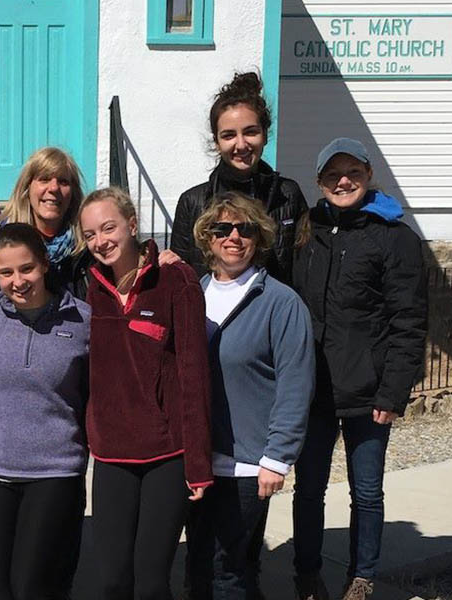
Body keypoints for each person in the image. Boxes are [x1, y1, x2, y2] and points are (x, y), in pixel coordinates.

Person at [291, 138, 427, 600]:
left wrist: (393, 393)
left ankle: (362, 575)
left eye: (352, 172)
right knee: (308, 490)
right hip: (313, 391)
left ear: (368, 175)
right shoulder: (306, 231)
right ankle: (307, 573)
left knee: (366, 492)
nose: (342, 181)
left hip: (368, 393)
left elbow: (408, 322)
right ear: (319, 182)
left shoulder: (394, 237)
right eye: (332, 175)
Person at [79, 187, 213, 600]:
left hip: (165, 454)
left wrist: (198, 462)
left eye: (108, 228)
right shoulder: (86, 285)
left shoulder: (176, 279)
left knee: (152, 582)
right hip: (112, 453)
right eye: (89, 234)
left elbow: (194, 373)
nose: (100, 241)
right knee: (112, 580)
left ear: (133, 225)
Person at [184, 192, 315, 600]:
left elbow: (296, 384)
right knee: (196, 564)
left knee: (230, 569)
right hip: (199, 462)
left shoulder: (280, 302)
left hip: (247, 465)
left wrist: (277, 458)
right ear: (207, 238)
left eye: (246, 229)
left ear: (260, 237)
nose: (234, 237)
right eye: (223, 228)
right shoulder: (191, 294)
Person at [0, 223, 90, 600]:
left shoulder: (83, 321)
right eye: (6, 272)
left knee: (30, 589)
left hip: (55, 471)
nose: (17, 280)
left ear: (45, 265)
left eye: (26, 268)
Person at [170, 72, 307, 284]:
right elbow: (179, 279)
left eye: (250, 132)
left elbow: (305, 270)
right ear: (216, 141)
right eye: (229, 135)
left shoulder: (288, 195)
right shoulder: (193, 202)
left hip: (275, 314)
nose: (241, 144)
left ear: (265, 133)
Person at [0, 147, 92, 300]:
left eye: (63, 181)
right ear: (27, 187)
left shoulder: (85, 247)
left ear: (73, 192)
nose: (54, 188)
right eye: (44, 179)